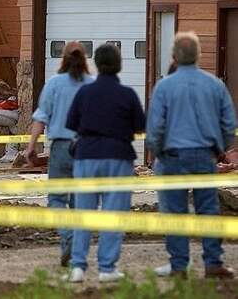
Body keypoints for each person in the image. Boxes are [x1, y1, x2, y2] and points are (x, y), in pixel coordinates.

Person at [146, 32, 236, 279]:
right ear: (199, 55)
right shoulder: (215, 85)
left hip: (172, 157)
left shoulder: (164, 87)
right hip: (205, 156)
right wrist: (225, 149)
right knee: (208, 209)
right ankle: (213, 263)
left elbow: (155, 126)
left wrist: (156, 152)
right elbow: (228, 121)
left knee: (174, 212)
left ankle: (179, 265)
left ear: (174, 56)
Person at [63, 43, 145, 283]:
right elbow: (140, 125)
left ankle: (78, 266)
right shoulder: (127, 94)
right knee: (114, 213)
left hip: (87, 155)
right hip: (118, 155)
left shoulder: (84, 92)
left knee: (83, 212)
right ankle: (107, 268)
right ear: (119, 64)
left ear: (97, 64)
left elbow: (72, 124)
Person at [22, 41, 93, 267]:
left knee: (57, 199)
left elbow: (41, 117)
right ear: (85, 59)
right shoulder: (92, 85)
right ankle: (75, 247)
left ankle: (68, 239)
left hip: (61, 148)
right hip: (86, 149)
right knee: (80, 201)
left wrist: (31, 147)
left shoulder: (53, 84)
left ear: (63, 58)